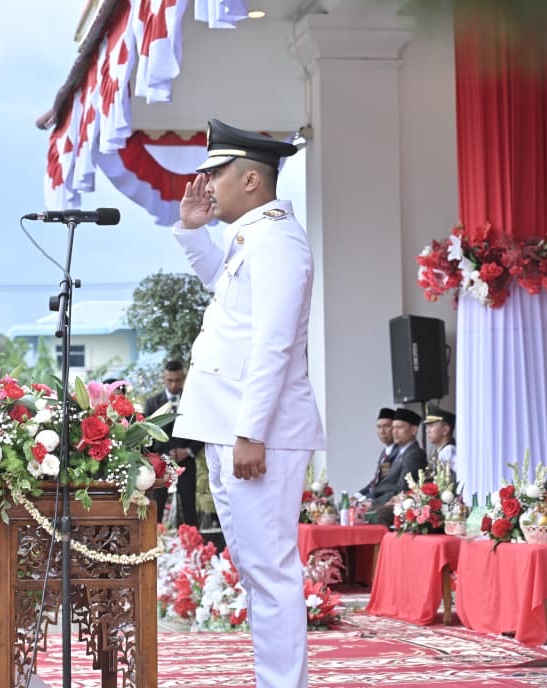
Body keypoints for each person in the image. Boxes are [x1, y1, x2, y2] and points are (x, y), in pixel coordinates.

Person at [171, 118, 325, 688]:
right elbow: (227, 295)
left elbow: (274, 341)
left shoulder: (279, 238)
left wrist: (250, 431)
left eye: (216, 174)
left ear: (252, 181)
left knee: (271, 570)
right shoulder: (252, 237)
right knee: (258, 571)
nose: (206, 185)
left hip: (258, 430)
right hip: (231, 423)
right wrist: (192, 233)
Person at [143, 360, 203, 526]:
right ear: (164, 378)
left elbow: (201, 429)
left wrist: (188, 451)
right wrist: (154, 458)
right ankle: (155, 546)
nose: (174, 384)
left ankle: (193, 546)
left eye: (177, 380)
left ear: (183, 378)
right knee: (157, 505)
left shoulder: (193, 402)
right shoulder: (152, 403)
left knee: (189, 504)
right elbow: (146, 435)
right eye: (170, 380)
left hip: (186, 461)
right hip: (160, 464)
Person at [368, 408, 427, 510]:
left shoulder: (414, 454)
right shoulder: (398, 453)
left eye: (399, 428)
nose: (394, 432)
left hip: (398, 504)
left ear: (413, 430)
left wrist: (373, 503)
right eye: (393, 427)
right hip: (383, 500)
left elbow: (402, 488)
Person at [358, 408, 398, 499]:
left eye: (386, 426)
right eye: (379, 427)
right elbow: (376, 481)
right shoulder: (385, 452)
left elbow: (386, 485)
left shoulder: (399, 453)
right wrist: (358, 495)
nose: (382, 431)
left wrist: (364, 499)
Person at [424, 405, 456, 481]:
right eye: (427, 426)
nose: (427, 431)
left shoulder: (449, 452)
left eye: (431, 426)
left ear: (445, 430)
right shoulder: (438, 452)